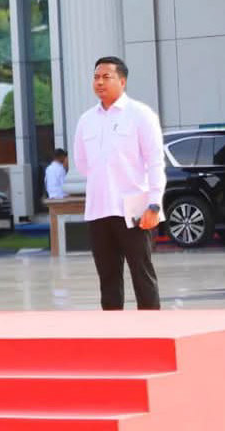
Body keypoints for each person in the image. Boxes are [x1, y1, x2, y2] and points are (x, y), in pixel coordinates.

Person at [72, 56, 165, 311]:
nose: (99, 82)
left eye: (106, 77)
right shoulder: (86, 120)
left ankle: (151, 332)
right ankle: (114, 335)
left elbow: (155, 162)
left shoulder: (140, 115)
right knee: (108, 278)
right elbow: (82, 163)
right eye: (96, 77)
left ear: (122, 81)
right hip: (99, 209)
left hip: (133, 209)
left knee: (141, 273)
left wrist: (154, 204)